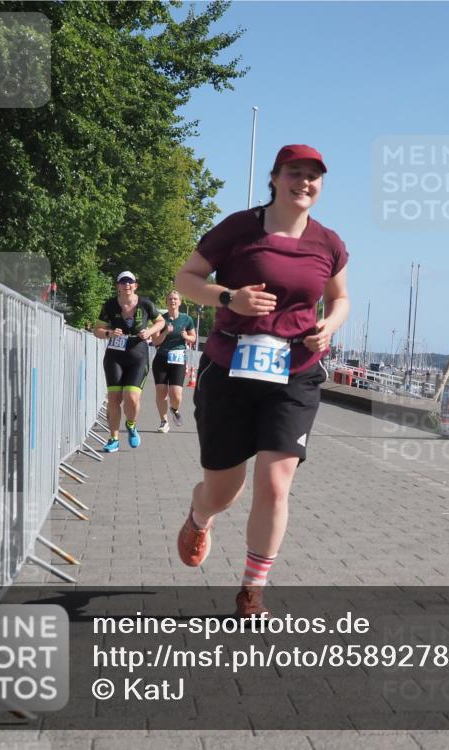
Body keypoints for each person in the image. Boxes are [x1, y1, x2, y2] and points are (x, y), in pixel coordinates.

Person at [174, 144, 349, 618]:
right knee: (224, 488)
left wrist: (329, 327)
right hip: (229, 367)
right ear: (274, 178)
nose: (304, 182)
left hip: (294, 374)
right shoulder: (238, 228)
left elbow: (340, 299)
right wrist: (229, 297)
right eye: (295, 173)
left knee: (275, 484)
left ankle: (253, 589)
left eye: (314, 176)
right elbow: (186, 278)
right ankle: (200, 515)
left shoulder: (328, 243)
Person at [93, 271, 165, 452]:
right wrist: (109, 333)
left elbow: (161, 321)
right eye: (123, 282)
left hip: (138, 356)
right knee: (114, 398)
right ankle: (113, 438)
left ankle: (131, 424)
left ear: (135, 285)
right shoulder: (110, 305)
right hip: (114, 357)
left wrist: (149, 332)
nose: (127, 285)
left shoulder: (146, 304)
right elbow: (97, 330)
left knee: (131, 398)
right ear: (117, 286)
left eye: (130, 282)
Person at [150, 290, 197, 433]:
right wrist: (165, 332)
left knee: (176, 395)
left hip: (178, 359)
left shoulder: (187, 319)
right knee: (161, 392)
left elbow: (193, 338)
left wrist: (186, 337)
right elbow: (155, 341)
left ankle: (174, 409)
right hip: (161, 359)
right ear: (166, 302)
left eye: (175, 299)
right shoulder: (160, 320)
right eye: (170, 299)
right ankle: (163, 421)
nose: (173, 301)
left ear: (180, 302)